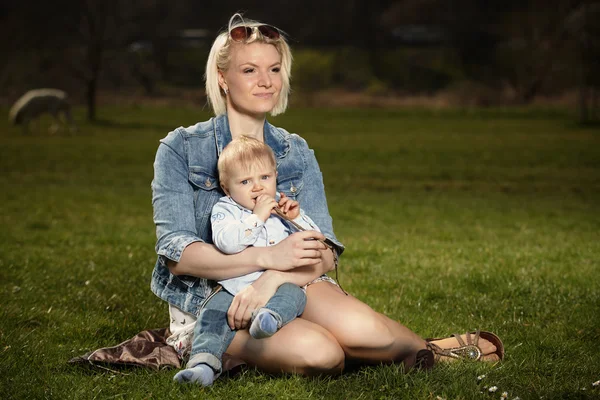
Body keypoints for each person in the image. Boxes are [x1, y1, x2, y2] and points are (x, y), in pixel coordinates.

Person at [151, 12, 504, 380]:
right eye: (250, 71)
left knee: (370, 332)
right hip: (217, 303)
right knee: (322, 354)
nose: (266, 82)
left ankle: (427, 353)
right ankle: (409, 351)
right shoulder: (182, 148)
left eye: (274, 70)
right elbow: (179, 254)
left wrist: (270, 278)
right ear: (223, 78)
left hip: (294, 282)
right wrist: (267, 256)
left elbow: (326, 250)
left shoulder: (296, 151)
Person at [173, 136, 322, 385]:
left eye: (265, 178)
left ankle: (268, 320)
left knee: (295, 295)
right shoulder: (226, 209)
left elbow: (314, 244)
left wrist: (297, 218)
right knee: (213, 316)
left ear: (275, 175)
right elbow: (227, 242)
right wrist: (258, 217)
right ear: (226, 187)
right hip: (233, 286)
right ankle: (203, 365)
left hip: (275, 286)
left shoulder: (282, 210)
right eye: (245, 181)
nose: (258, 188)